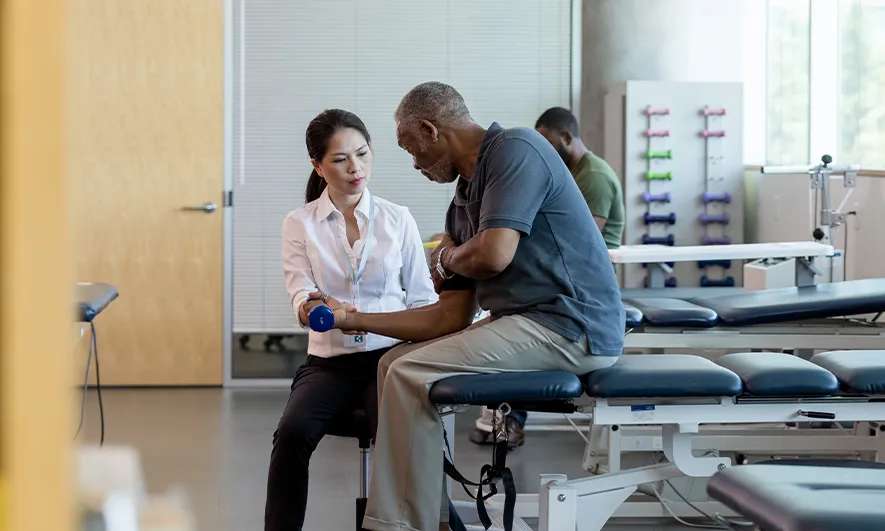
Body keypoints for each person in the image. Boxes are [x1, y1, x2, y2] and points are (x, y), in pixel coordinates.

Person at [311, 82, 624, 531]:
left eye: (412, 149)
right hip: (528, 325)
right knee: (393, 364)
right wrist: (354, 318)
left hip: (572, 326)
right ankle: (432, 517)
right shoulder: (461, 206)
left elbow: (493, 254)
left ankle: (397, 525)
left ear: (430, 130)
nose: (415, 164)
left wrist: (445, 258)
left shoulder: (517, 149)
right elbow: (450, 316)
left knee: (409, 373)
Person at [264, 109, 437, 531]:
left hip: (390, 360)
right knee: (291, 434)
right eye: (340, 159)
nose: (355, 168)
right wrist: (311, 308)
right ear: (318, 166)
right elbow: (300, 291)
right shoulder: (299, 223)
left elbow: (422, 299)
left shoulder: (398, 218)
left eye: (362, 154)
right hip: (329, 363)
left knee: (401, 444)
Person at [470, 106, 628, 448]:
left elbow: (580, 240)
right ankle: (504, 417)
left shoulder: (594, 176)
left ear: (566, 137)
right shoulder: (569, 171)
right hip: (564, 284)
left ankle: (510, 419)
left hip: (582, 291)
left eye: (547, 140)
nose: (542, 147)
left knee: (526, 328)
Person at [536, 106, 625, 249]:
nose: (544, 152)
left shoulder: (594, 175)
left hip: (593, 261)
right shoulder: (572, 173)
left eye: (549, 144)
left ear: (566, 138)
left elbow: (583, 238)